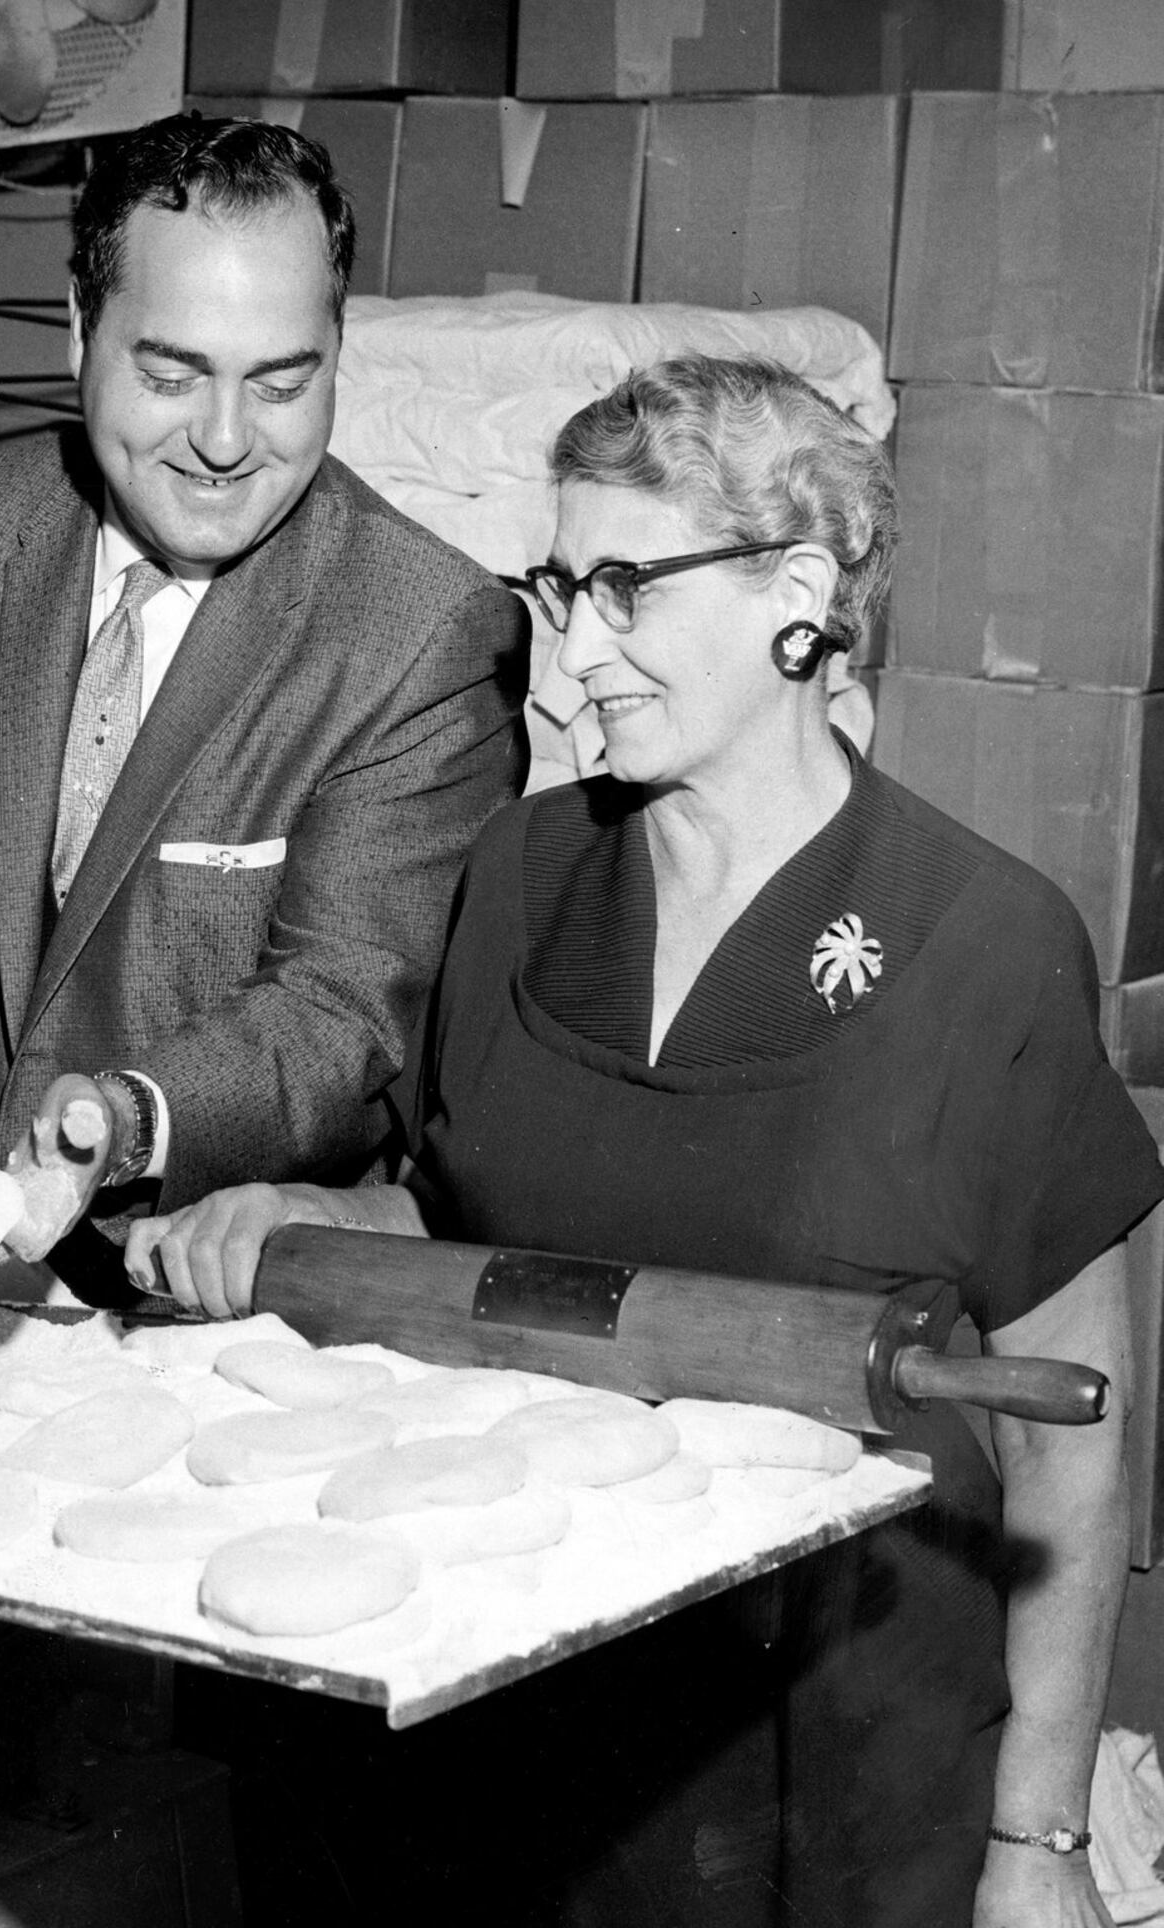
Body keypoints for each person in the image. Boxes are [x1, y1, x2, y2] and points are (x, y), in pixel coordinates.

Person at [125, 356, 1164, 1927]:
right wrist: (296, 1211)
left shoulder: (985, 946)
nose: (568, 661)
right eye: (558, 590)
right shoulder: (526, 876)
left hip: (847, 1764)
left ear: (797, 597)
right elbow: (463, 1227)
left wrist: (1040, 1843)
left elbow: (1068, 1440)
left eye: (622, 589)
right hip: (532, 1734)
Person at [0, 116, 526, 1288]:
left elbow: (340, 1011)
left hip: (216, 1304)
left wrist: (131, 1118)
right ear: (81, 331)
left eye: (282, 382)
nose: (226, 441)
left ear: (338, 350)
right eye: (170, 374)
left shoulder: (420, 633)